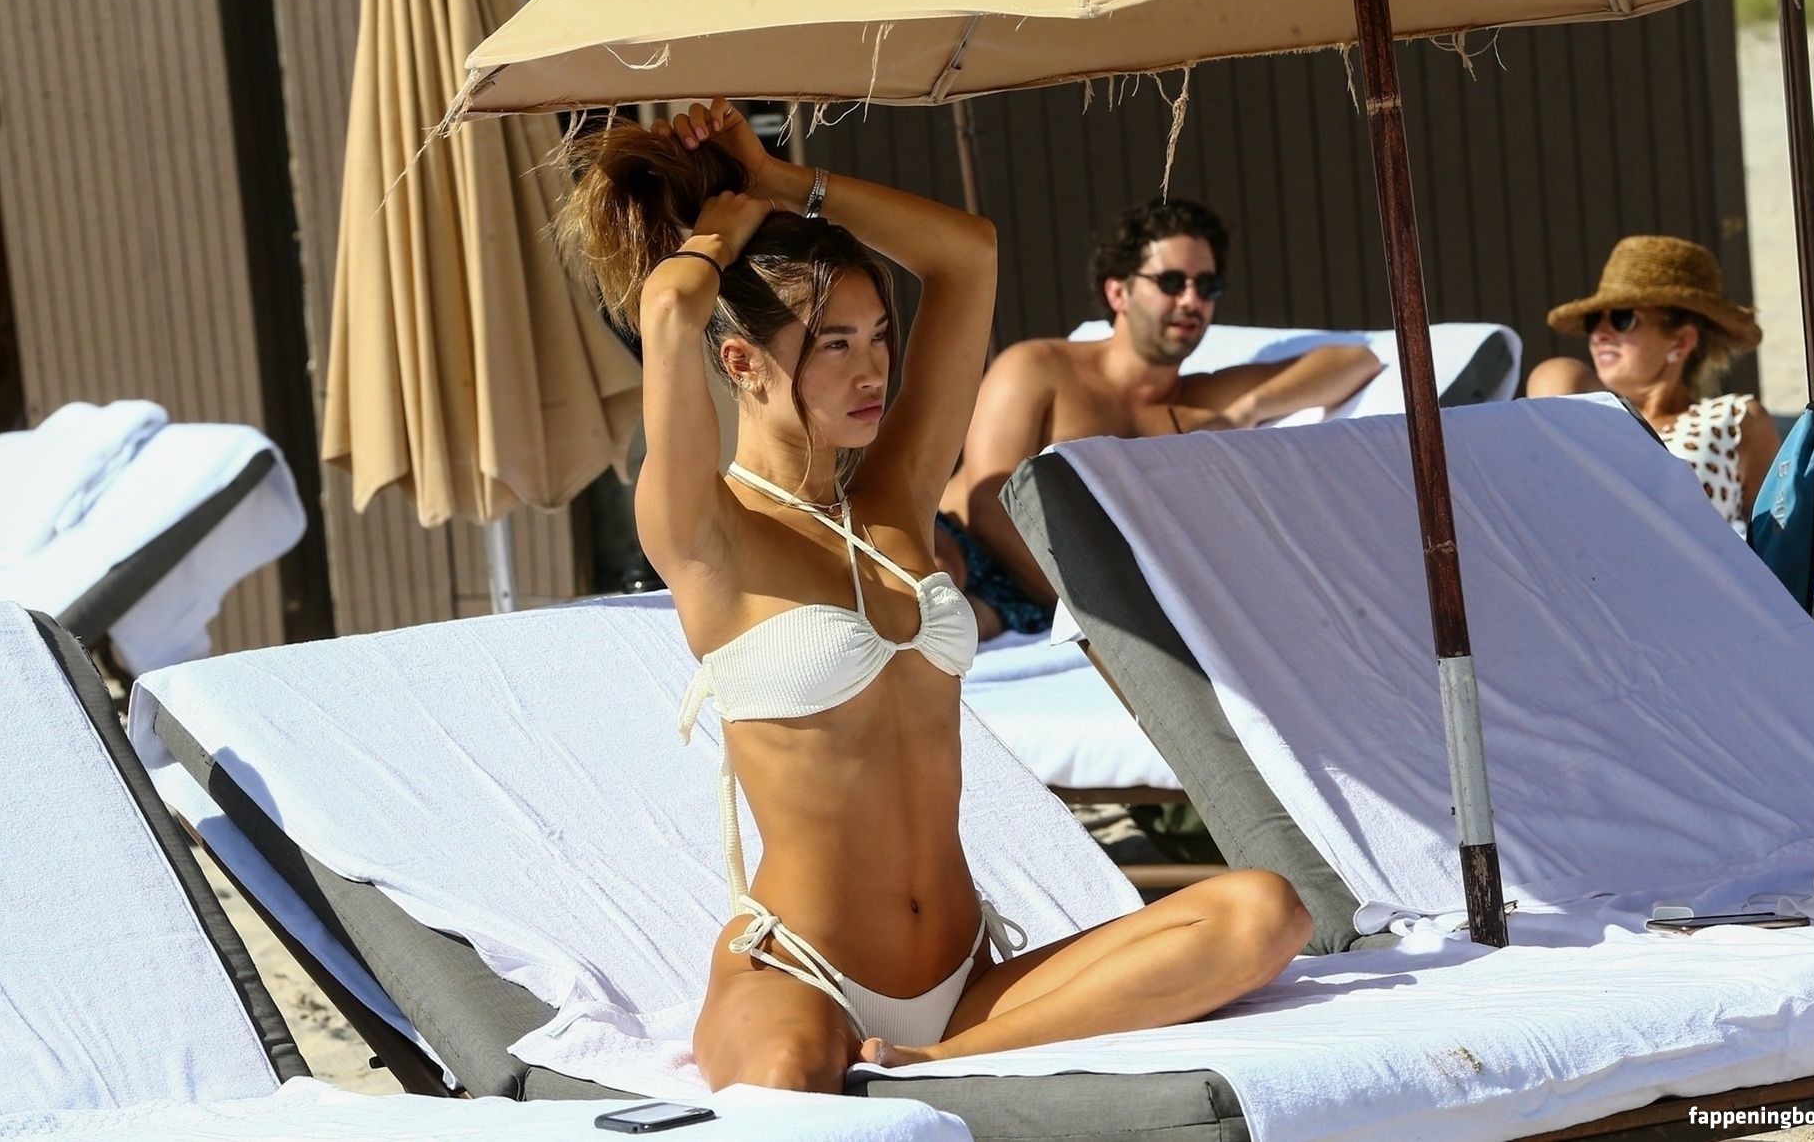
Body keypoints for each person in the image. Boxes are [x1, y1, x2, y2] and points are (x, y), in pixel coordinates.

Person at [559, 99, 1310, 1093]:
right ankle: (907, 1063)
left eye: (879, 335)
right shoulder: (706, 533)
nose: (874, 367)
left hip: (966, 983)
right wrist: (726, 227)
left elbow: (967, 255)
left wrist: (787, 185)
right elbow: (667, 310)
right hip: (803, 972)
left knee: (1265, 913)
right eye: (833, 343)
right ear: (742, 362)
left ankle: (935, 1064)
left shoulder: (895, 496)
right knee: (786, 1079)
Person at [938, 198, 1382, 631]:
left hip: (1032, 604)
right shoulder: (1038, 368)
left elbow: (1354, 362)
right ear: (1118, 292)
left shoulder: (1201, 401)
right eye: (1171, 282)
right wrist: (1109, 611)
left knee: (966, 624)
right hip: (966, 544)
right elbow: (988, 505)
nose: (1191, 300)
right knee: (939, 582)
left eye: (1207, 286)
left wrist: (1245, 412)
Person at [1526, 235, 1777, 526]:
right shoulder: (1584, 413)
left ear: (1681, 342)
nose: (1600, 334)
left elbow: (1777, 540)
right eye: (1594, 320)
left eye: (1622, 318)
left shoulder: (1733, 418)